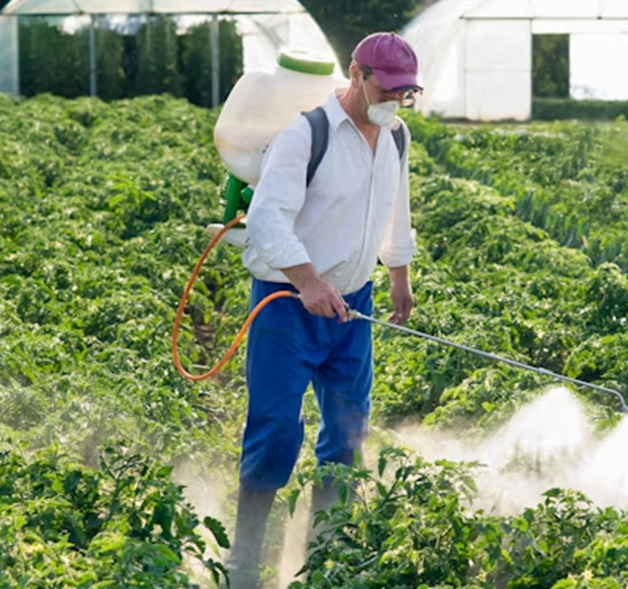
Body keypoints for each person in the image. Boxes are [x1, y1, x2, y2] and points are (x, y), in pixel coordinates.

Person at [225, 32, 422, 589]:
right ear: (357, 76)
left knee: (346, 432)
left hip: (352, 307)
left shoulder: (395, 136)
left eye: (406, 94)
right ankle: (244, 563)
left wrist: (398, 277)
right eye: (388, 90)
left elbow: (395, 209)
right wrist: (307, 279)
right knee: (275, 432)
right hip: (287, 306)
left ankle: (324, 556)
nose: (397, 102)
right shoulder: (306, 135)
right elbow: (266, 217)